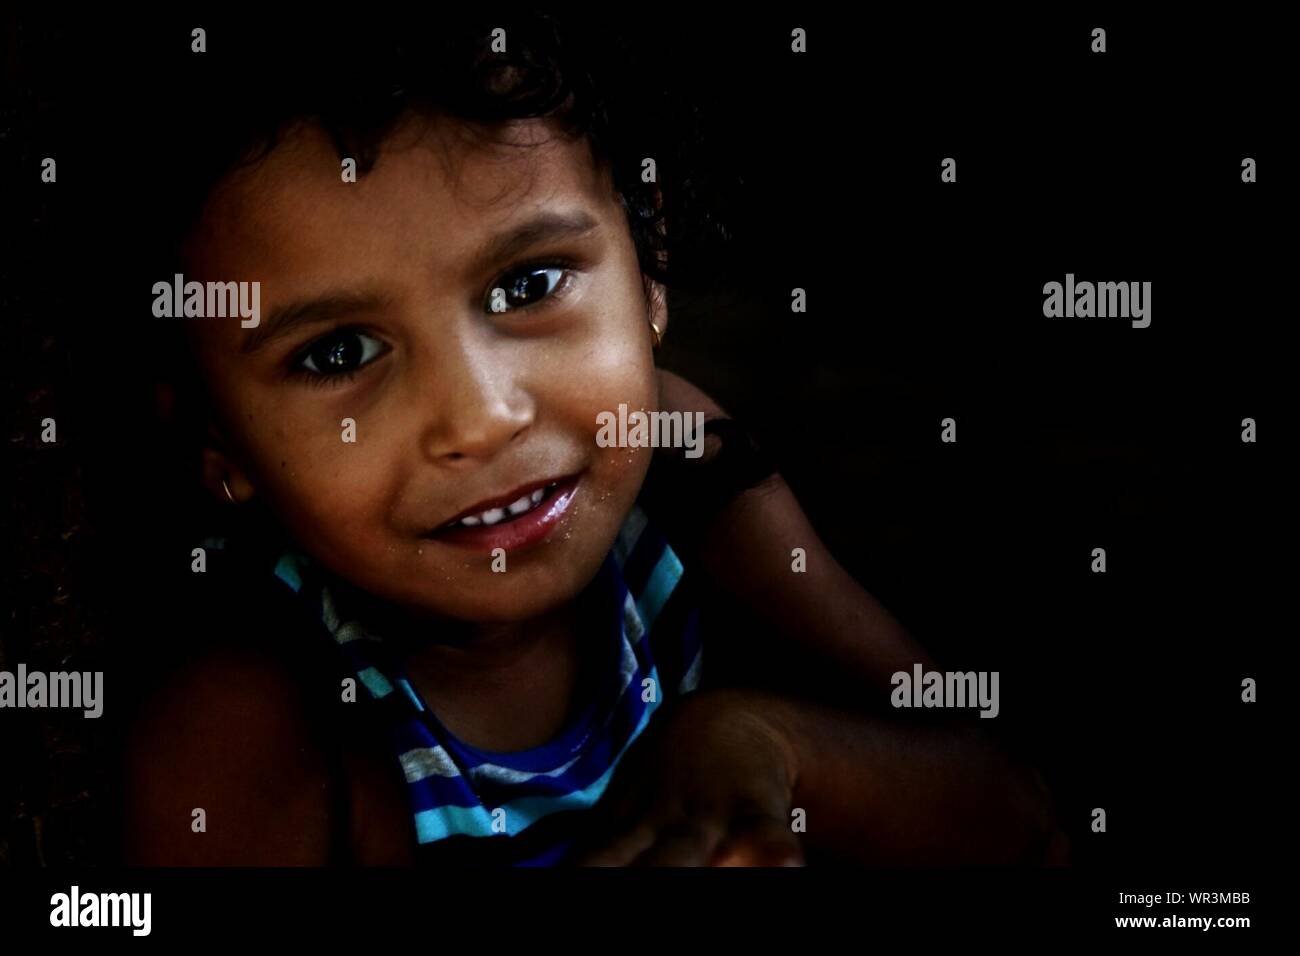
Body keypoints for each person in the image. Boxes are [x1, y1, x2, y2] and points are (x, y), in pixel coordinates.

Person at [119, 13, 1064, 866]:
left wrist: (755, 743)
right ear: (219, 444)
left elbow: (1010, 811)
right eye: (338, 352)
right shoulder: (253, 734)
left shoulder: (682, 466)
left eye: (527, 287)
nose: (482, 418)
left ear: (648, 265)